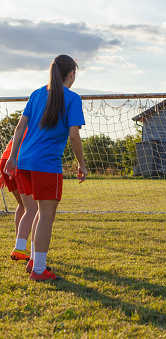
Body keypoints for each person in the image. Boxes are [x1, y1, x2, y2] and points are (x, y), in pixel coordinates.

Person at [4, 54, 87, 281]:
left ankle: (34, 262)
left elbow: (19, 128)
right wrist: (81, 164)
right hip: (46, 165)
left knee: (38, 213)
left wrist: (12, 158)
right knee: (45, 216)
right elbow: (74, 135)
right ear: (72, 74)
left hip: (24, 162)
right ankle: (39, 270)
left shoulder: (37, 93)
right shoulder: (72, 98)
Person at [1, 132, 40, 265]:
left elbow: (14, 140)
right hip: (17, 161)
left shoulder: (24, 124)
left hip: (5, 161)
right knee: (32, 208)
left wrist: (3, 173)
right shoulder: (35, 124)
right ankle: (20, 248)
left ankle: (19, 242)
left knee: (22, 205)